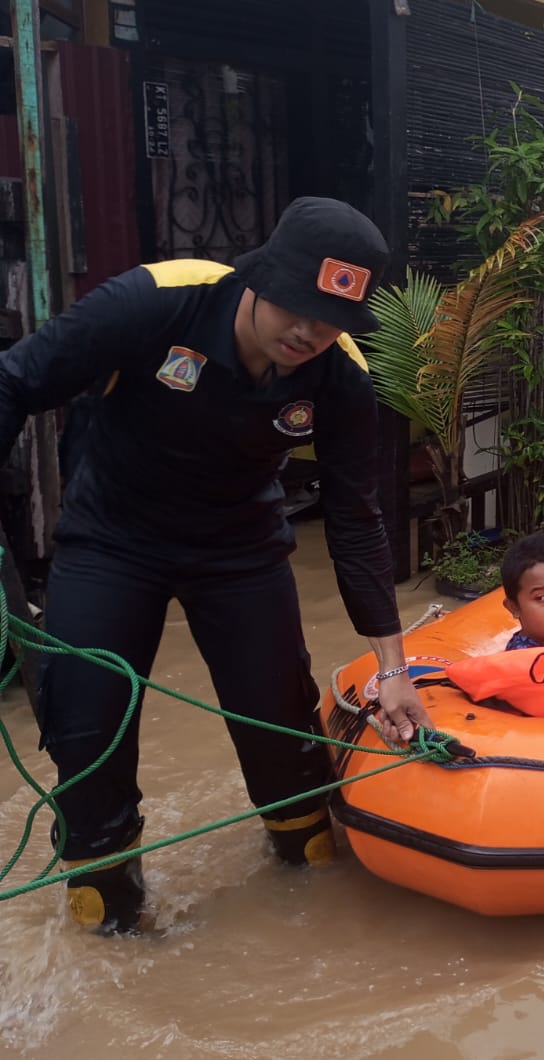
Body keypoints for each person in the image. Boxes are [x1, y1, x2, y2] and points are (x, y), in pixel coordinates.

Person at [0, 197, 433, 934]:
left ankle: (303, 903)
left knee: (284, 733)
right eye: (296, 307)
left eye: (328, 321)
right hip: (112, 538)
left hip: (238, 547)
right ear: (261, 276)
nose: (307, 332)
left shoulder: (340, 377)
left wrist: (393, 668)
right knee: (86, 728)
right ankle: (113, 920)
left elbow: (358, 518)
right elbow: (17, 379)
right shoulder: (155, 302)